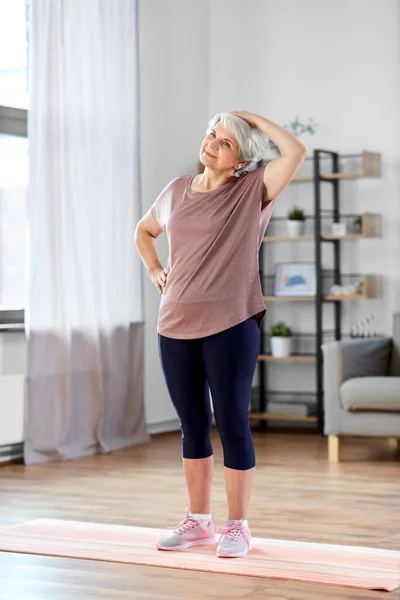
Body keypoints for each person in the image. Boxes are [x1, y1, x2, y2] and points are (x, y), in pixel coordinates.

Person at [135, 111, 307, 558]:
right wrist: (155, 268)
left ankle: (238, 527)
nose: (212, 143)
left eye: (225, 142)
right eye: (212, 134)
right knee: (191, 425)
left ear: (240, 160)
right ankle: (198, 522)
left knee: (231, 422)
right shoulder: (175, 191)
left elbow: (296, 151)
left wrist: (247, 118)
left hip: (231, 324)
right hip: (174, 324)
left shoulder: (253, 190)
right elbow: (144, 230)